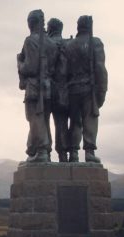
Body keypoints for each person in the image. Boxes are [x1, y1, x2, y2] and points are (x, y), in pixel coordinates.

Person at [65, 15, 108, 163]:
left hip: (72, 89)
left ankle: (74, 153)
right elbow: (100, 69)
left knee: (75, 122)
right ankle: (89, 152)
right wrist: (102, 92)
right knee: (90, 120)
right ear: (90, 26)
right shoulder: (95, 43)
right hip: (89, 89)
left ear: (78, 27)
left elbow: (64, 71)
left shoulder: (69, 46)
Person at [17, 9, 58, 162]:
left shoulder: (30, 41)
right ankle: (40, 150)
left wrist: (20, 64)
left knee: (35, 118)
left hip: (35, 87)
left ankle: (41, 151)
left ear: (30, 23)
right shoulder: (52, 43)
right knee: (43, 119)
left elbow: (30, 67)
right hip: (49, 87)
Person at [47, 18, 70, 162]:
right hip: (64, 89)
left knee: (43, 121)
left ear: (50, 29)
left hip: (48, 87)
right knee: (61, 123)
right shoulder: (69, 44)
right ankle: (63, 154)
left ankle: (44, 153)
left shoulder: (46, 44)